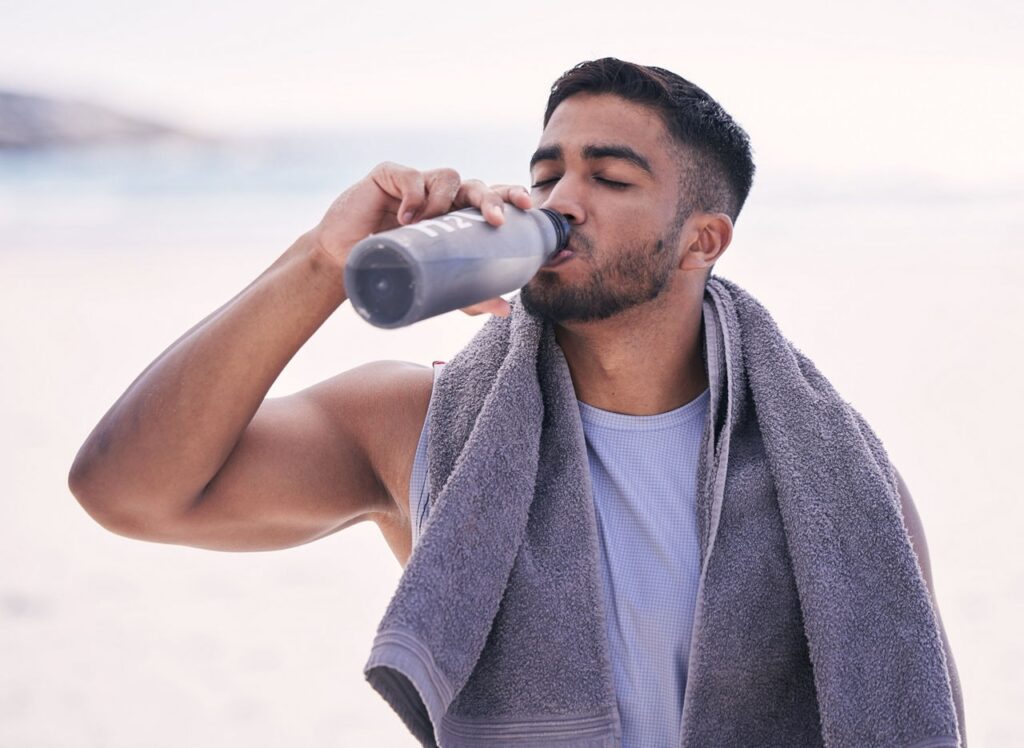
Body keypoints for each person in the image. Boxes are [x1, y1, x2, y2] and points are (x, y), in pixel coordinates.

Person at [69, 58, 964, 745]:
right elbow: (128, 489)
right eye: (546, 177)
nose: (562, 202)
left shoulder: (833, 477)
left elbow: (906, 705)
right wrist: (323, 262)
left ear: (703, 240)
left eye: (609, 179)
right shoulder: (421, 424)